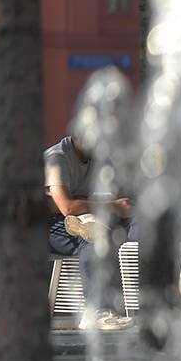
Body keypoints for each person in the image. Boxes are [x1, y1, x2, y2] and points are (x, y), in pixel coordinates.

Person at [45, 133, 137, 330]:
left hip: (79, 219)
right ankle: (95, 311)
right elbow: (67, 207)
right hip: (48, 226)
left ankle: (124, 303)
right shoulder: (58, 158)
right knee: (93, 242)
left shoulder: (93, 156)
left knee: (127, 223)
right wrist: (112, 205)